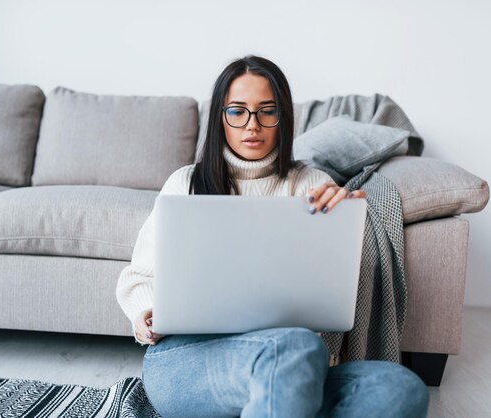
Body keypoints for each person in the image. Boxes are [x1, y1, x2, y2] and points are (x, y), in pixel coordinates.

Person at [116, 55, 429, 418]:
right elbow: (137, 276)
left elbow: (334, 293)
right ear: (221, 117)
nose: (253, 125)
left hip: (292, 361)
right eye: (237, 111)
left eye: (267, 111)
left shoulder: (313, 186)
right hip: (188, 360)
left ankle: (274, 404)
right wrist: (146, 313)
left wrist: (350, 222)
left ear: (284, 118)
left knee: (399, 386)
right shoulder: (186, 182)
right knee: (294, 346)